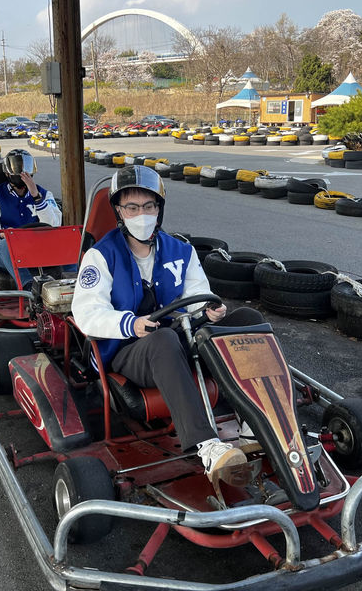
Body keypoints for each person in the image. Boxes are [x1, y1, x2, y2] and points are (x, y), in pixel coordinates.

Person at [71, 165, 248, 484]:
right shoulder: (101, 256)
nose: (141, 214)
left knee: (248, 321)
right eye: (132, 207)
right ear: (119, 212)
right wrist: (130, 324)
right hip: (128, 352)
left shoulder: (180, 250)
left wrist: (208, 309)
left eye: (148, 206)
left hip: (177, 335)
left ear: (159, 209)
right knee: (163, 339)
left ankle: (257, 421)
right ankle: (207, 447)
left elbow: (196, 293)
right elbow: (86, 313)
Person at [0, 149, 62, 289]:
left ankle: (73, 285)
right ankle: (29, 287)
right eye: (19, 169)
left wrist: (36, 197)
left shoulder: (44, 194)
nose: (23, 173)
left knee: (69, 240)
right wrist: (4, 233)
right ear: (7, 173)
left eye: (26, 169)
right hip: (6, 251)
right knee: (7, 245)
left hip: (37, 247)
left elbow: (54, 225)